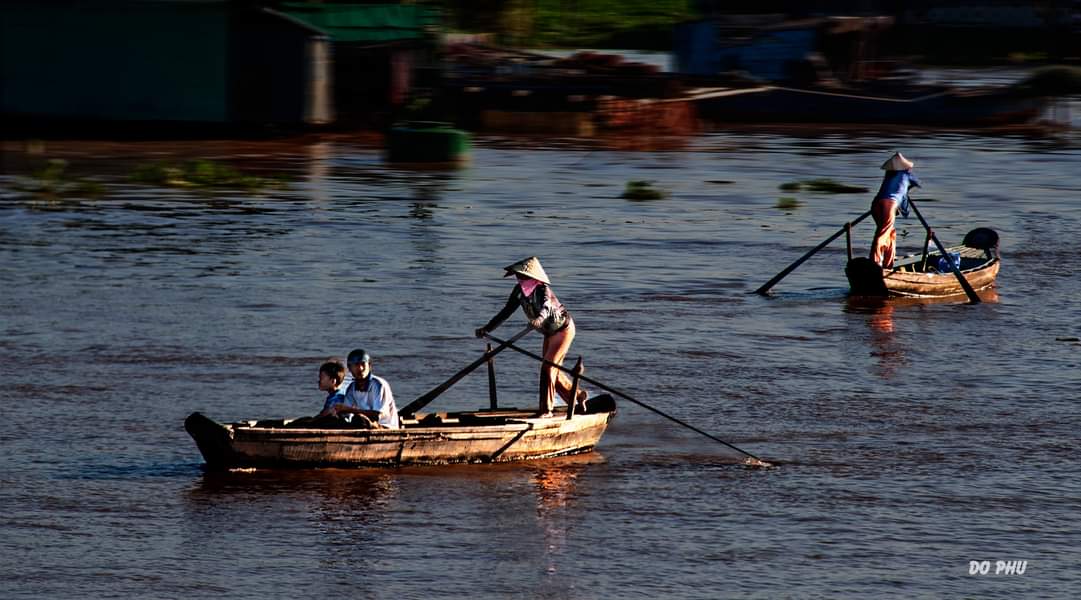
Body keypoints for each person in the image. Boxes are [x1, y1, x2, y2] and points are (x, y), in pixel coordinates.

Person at [474, 257, 588, 417]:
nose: (519, 278)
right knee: (552, 370)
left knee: (548, 368)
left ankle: (546, 410)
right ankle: (577, 396)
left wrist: (538, 320)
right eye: (518, 275)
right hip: (549, 333)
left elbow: (547, 308)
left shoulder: (542, 290)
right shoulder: (518, 292)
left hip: (563, 330)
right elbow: (505, 312)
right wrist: (487, 328)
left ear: (533, 277)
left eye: (523, 275)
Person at [320, 349, 399, 429]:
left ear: (369, 366)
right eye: (356, 365)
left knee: (360, 420)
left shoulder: (378, 385)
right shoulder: (352, 388)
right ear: (350, 368)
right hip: (365, 425)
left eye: (363, 364)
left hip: (384, 427)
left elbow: (377, 415)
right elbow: (345, 413)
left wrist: (351, 410)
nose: (360, 368)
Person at [869, 152, 921, 269]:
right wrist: (907, 188)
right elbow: (917, 183)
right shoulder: (906, 174)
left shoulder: (888, 176)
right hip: (889, 204)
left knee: (891, 233)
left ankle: (888, 263)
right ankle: (875, 262)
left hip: (876, 204)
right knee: (883, 233)